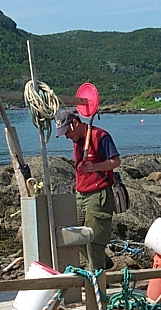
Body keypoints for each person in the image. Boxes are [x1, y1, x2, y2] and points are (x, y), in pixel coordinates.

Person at [55, 108, 121, 271]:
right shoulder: (77, 141)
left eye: (66, 131)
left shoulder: (100, 136)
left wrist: (95, 167)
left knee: (94, 241)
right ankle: (102, 262)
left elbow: (115, 161)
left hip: (98, 194)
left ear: (75, 123)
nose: (66, 136)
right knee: (71, 236)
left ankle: (97, 282)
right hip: (80, 194)